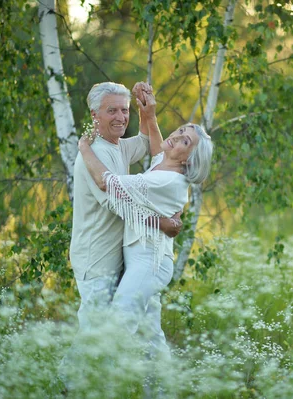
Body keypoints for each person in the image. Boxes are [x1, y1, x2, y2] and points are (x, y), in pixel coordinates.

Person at [77, 88, 213, 356]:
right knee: (151, 337)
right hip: (140, 258)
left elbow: (109, 185)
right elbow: (157, 150)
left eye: (185, 141)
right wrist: (148, 114)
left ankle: (73, 383)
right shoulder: (165, 167)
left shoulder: (164, 179)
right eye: (180, 130)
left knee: (116, 328)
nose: (176, 137)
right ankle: (162, 390)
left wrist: (82, 146)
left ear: (189, 159)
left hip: (148, 262)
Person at [68, 81, 181, 343]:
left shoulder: (116, 145)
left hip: (117, 258)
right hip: (95, 259)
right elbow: (117, 204)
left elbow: (147, 143)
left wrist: (146, 112)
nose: (120, 118)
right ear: (95, 115)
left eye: (125, 110)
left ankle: (91, 381)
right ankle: (68, 382)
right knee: (94, 332)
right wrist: (161, 223)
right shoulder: (94, 153)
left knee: (119, 330)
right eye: (112, 111)